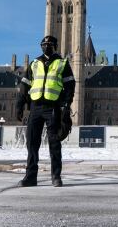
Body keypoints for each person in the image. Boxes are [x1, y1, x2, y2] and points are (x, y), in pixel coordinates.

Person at [15, 35, 76, 187]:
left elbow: (70, 85)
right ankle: (30, 177)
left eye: (49, 44)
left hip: (53, 107)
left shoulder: (62, 63)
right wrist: (19, 105)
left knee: (54, 143)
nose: (46, 46)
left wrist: (66, 105)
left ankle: (56, 176)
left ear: (55, 46)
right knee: (32, 143)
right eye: (44, 44)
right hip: (35, 107)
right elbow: (25, 85)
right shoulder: (35, 63)